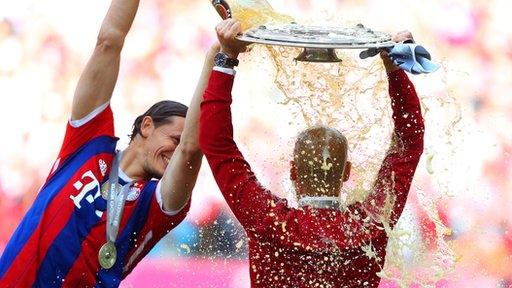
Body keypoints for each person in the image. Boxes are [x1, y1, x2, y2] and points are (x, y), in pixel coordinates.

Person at [0, 0, 220, 286]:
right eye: (173, 140)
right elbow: (109, 41)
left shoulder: (156, 205)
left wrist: (218, 57)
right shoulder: (87, 144)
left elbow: (192, 146)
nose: (176, 153)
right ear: (147, 125)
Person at [199, 19, 425, 287]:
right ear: (346, 173)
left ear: (293, 170)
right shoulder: (370, 224)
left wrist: (227, 57)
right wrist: (394, 69)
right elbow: (409, 142)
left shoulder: (268, 219)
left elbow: (217, 145)